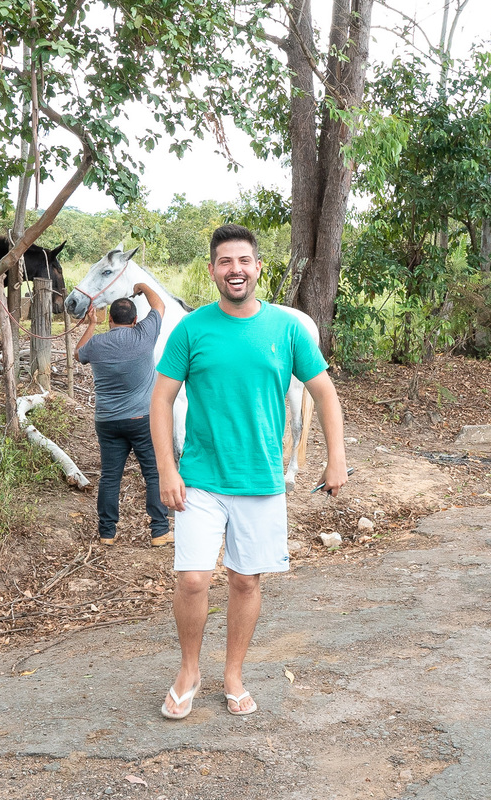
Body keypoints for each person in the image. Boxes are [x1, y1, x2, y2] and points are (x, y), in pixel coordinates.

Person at [150, 224, 347, 719]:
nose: (234, 270)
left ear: (258, 268)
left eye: (243, 261)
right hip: (199, 478)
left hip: (261, 481)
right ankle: (189, 670)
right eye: (224, 262)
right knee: (193, 579)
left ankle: (233, 673)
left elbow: (324, 393)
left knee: (245, 581)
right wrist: (166, 470)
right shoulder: (192, 330)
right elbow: (161, 399)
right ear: (213, 270)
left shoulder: (286, 329)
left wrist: (336, 457)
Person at [75, 283, 173, 547]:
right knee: (153, 473)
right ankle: (160, 531)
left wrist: (91, 325)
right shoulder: (144, 335)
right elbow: (159, 305)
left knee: (110, 476)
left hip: (107, 422)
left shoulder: (96, 344)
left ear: (110, 319)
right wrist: (142, 286)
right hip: (141, 420)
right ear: (135, 319)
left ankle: (107, 533)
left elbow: (77, 353)